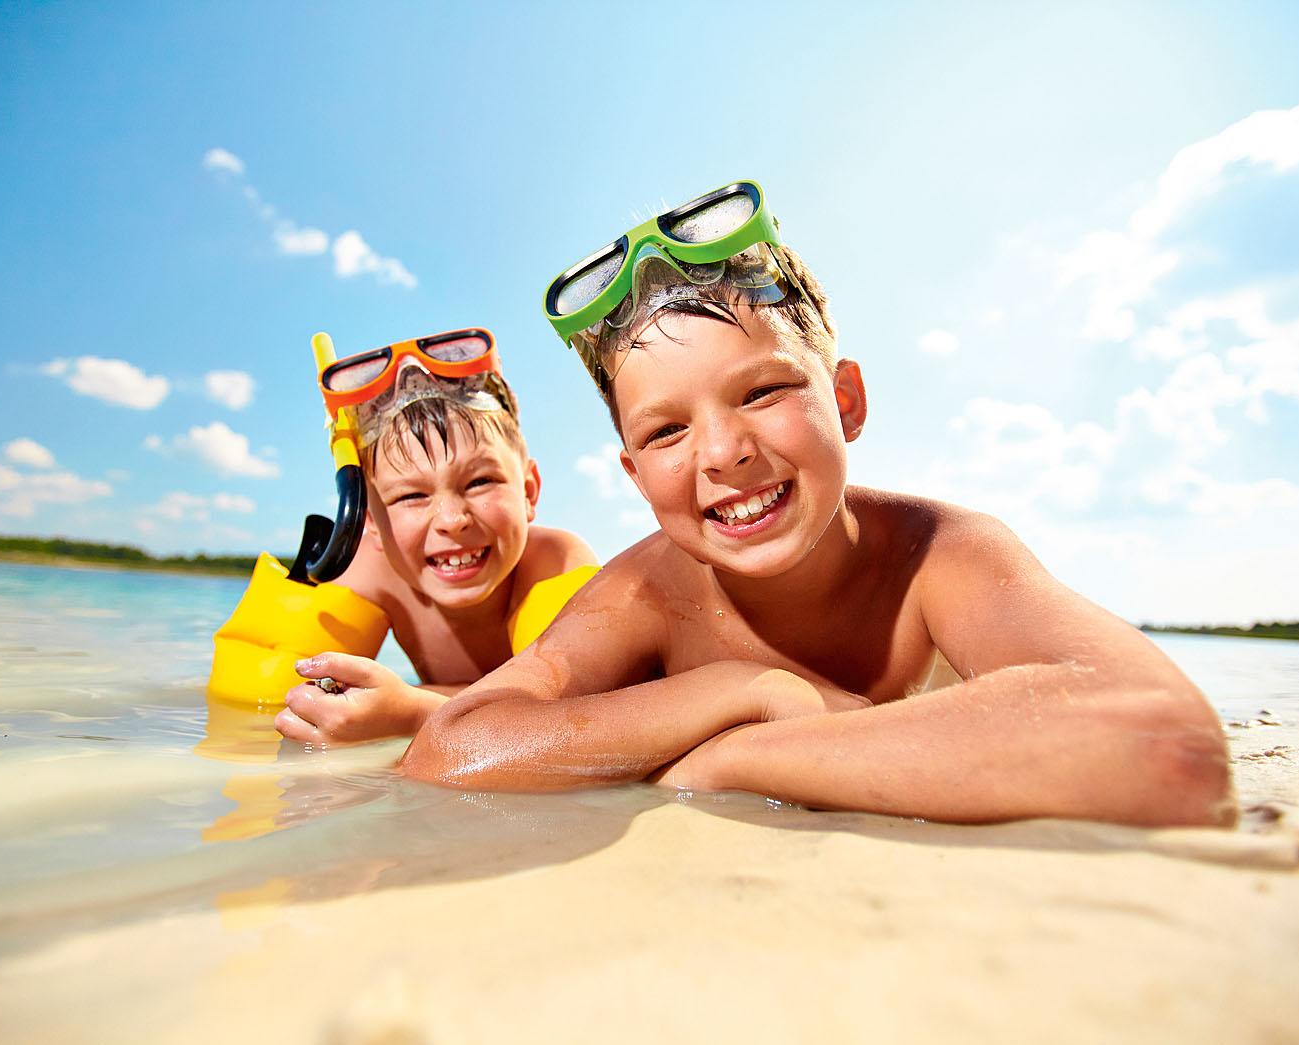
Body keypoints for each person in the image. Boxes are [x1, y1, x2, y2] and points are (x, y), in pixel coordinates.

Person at [398, 182, 1234, 827]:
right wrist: (737, 689)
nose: (722, 452)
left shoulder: (940, 556)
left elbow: (1164, 744)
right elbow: (451, 750)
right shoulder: (643, 594)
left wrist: (734, 759)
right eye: (666, 431)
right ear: (634, 475)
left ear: (846, 400)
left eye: (762, 391)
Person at [274, 327, 596, 746]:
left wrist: (413, 711)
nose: (452, 520)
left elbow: (581, 707)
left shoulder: (554, 560)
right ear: (370, 522)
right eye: (411, 495)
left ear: (529, 491)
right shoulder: (368, 575)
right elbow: (277, 706)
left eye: (480, 482)